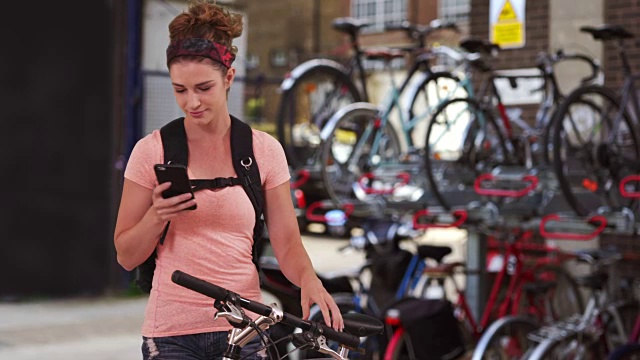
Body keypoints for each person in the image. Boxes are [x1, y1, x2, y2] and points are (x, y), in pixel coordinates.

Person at [113, 1, 344, 359]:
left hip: (247, 329)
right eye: (180, 90)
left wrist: (309, 280)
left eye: (203, 88)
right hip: (172, 333)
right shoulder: (152, 150)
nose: (191, 102)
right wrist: (157, 215)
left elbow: (286, 244)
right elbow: (126, 256)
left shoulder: (263, 151)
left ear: (229, 78)